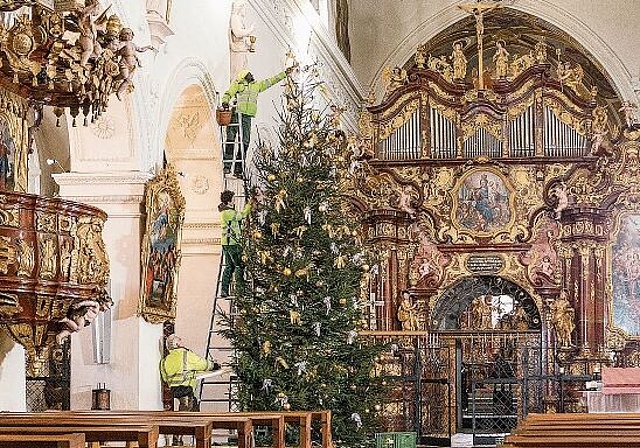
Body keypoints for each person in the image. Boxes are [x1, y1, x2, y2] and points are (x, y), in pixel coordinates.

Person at [221, 67, 292, 177]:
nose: (251, 75)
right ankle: (227, 166)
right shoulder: (238, 84)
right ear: (244, 77)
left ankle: (238, 170)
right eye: (248, 74)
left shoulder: (256, 86)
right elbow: (228, 93)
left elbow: (270, 81)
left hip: (247, 117)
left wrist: (284, 74)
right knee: (230, 140)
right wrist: (225, 102)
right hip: (236, 114)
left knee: (245, 142)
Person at [160, 334, 220, 411]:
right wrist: (214, 366)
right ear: (177, 344)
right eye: (181, 342)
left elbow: (165, 378)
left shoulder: (165, 360)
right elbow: (201, 364)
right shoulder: (186, 355)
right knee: (188, 410)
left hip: (174, 389)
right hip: (186, 387)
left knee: (191, 405)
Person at [219, 190, 253, 297]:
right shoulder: (228, 212)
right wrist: (249, 205)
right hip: (233, 243)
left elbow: (236, 224)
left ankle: (224, 290)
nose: (234, 200)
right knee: (239, 265)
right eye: (233, 199)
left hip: (226, 243)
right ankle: (240, 290)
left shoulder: (225, 212)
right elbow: (241, 215)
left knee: (229, 266)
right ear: (229, 201)